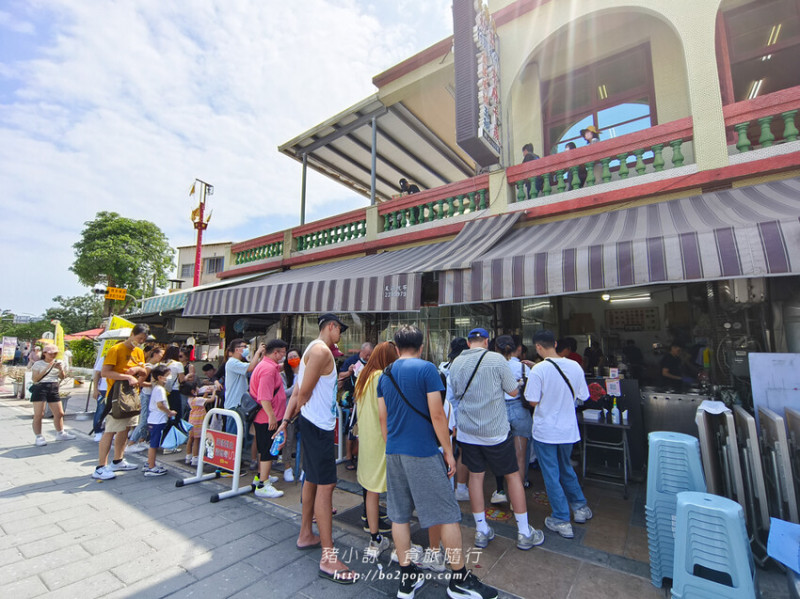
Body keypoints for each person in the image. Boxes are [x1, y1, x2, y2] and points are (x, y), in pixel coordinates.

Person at [377, 324, 498, 599]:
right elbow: (437, 416)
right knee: (447, 514)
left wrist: (392, 446)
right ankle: (459, 579)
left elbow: (383, 420)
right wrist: (447, 450)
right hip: (422, 451)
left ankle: (407, 578)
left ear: (396, 348)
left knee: (399, 514)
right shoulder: (427, 369)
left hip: (394, 451)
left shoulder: (385, 375)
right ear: (421, 347)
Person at [273, 313, 358, 584]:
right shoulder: (321, 352)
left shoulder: (313, 348)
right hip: (318, 427)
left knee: (311, 479)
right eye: (339, 330)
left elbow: (300, 391)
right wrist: (288, 421)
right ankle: (328, 556)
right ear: (330, 327)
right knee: (326, 486)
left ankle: (305, 534)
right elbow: (304, 392)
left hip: (312, 424)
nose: (340, 336)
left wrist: (286, 421)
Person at [449, 327, 543, 551]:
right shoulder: (496, 360)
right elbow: (512, 392)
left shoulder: (455, 363)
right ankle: (523, 531)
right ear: (487, 341)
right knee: (512, 475)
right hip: (495, 431)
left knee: (476, 477)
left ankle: (481, 531)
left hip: (468, 431)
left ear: (470, 342)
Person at [525, 330, 592, 539]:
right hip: (568, 430)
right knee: (566, 469)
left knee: (551, 475)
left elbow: (532, 401)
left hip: (546, 431)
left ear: (538, 347)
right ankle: (580, 508)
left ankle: (561, 519)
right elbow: (584, 396)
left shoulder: (538, 370)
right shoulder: (574, 366)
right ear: (555, 343)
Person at [353, 341, 398, 559]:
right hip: (385, 440)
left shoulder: (363, 376)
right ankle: (401, 544)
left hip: (367, 442)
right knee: (397, 493)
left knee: (372, 491)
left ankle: (375, 538)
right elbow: (388, 412)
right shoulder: (384, 377)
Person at [93, 324, 150, 480]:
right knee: (110, 430)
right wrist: (127, 376)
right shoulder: (116, 350)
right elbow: (105, 372)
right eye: (139, 338)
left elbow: (144, 371)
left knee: (125, 429)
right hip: (115, 395)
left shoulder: (139, 352)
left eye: (143, 340)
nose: (140, 342)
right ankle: (100, 467)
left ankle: (118, 460)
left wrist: (137, 372)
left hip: (131, 395)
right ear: (132, 334)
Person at [250, 338, 288, 499]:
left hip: (265, 417)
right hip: (266, 418)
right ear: (276, 353)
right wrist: (272, 417)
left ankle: (261, 476)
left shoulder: (268, 366)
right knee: (267, 451)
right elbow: (264, 397)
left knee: (264, 448)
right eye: (283, 353)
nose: (284, 356)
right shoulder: (267, 370)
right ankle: (263, 484)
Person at [496, 335, 532, 493]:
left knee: (500, 453)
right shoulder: (524, 368)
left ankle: (501, 490)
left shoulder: (493, 366)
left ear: (496, 349)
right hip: (520, 410)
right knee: (520, 456)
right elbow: (532, 393)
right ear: (517, 349)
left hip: (499, 410)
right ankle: (518, 493)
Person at [440, 337, 471, 503]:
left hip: (444, 414)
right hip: (462, 415)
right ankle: (461, 487)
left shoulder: (443, 367)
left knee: (447, 451)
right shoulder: (466, 369)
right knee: (463, 452)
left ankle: (445, 486)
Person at [30, 343, 75, 446]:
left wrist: (60, 369)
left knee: (59, 413)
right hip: (40, 387)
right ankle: (39, 436)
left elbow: (62, 377)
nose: (52, 355)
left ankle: (60, 433)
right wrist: (48, 367)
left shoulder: (59, 362)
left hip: (53, 387)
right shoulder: (38, 364)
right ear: (44, 353)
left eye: (55, 353)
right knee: (39, 414)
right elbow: (35, 379)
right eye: (50, 353)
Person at [339, 342, 373, 470]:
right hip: (352, 399)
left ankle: (360, 455)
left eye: (370, 355)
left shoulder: (372, 363)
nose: (368, 357)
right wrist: (348, 372)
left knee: (362, 430)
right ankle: (348, 457)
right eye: (366, 354)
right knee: (352, 429)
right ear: (361, 352)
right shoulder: (351, 361)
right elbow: (340, 376)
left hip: (366, 399)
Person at [223, 339, 265, 434]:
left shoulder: (238, 363)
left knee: (240, 435)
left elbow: (256, 366)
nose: (246, 349)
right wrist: (257, 352)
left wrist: (262, 355)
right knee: (233, 436)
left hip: (239, 404)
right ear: (237, 349)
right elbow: (251, 367)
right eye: (244, 347)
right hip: (234, 404)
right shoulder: (232, 362)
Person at [128, 345, 165, 452]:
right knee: (144, 420)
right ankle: (131, 443)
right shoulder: (149, 366)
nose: (162, 356)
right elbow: (140, 382)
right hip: (146, 395)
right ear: (155, 354)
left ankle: (141, 441)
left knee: (147, 419)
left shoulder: (156, 365)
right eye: (161, 354)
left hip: (151, 395)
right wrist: (153, 384)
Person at [143, 364, 175, 477]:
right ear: (160, 377)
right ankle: (151, 467)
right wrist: (169, 412)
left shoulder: (157, 388)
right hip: (157, 420)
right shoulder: (160, 389)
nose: (169, 377)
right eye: (167, 375)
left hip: (154, 420)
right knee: (154, 444)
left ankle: (149, 463)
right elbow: (160, 405)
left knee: (153, 443)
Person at [281, 347, 301, 482]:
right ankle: (287, 467)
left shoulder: (306, 372)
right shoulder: (283, 375)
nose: (293, 359)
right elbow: (283, 393)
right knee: (287, 441)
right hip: (288, 412)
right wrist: (297, 387)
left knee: (305, 441)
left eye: (295, 356)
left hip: (303, 411)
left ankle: (304, 468)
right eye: (290, 357)